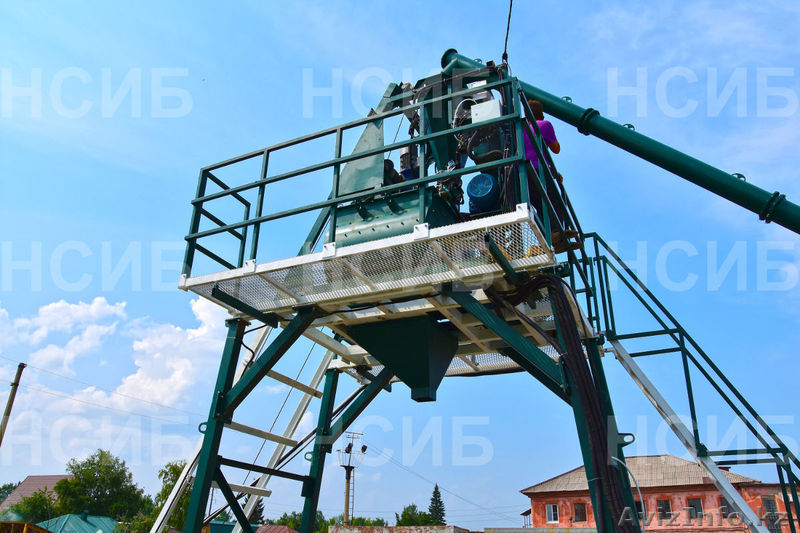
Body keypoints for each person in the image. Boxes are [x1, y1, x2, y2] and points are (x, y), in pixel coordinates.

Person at [523, 99, 577, 253]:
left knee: (539, 206)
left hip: (522, 173)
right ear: (541, 113)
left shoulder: (520, 129)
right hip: (539, 171)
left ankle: (550, 238)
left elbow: (530, 153)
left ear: (526, 113)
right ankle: (556, 235)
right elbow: (556, 148)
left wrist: (554, 173)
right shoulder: (544, 125)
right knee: (556, 202)